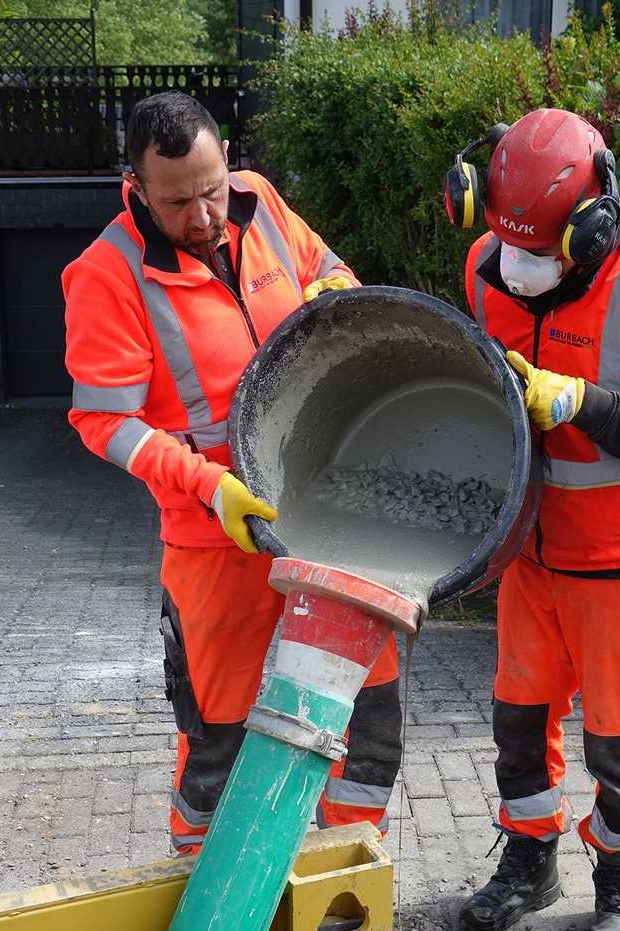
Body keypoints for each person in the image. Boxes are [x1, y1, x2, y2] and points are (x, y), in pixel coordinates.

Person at [63, 91, 401, 854]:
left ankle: (343, 888)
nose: (204, 215)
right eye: (178, 202)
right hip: (214, 541)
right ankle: (208, 905)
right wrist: (210, 487)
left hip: (326, 519)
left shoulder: (262, 202)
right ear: (135, 187)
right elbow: (103, 421)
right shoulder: (106, 275)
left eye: (212, 190)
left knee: (368, 718)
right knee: (217, 746)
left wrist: (338, 290)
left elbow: (327, 266)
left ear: (227, 163)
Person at [454, 108, 620, 931]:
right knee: (519, 722)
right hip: (529, 553)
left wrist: (579, 403)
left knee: (618, 740)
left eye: (541, 251)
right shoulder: (488, 267)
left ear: (593, 221)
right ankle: (530, 862)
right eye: (509, 245)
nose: (520, 269)